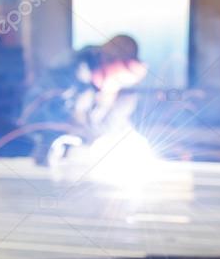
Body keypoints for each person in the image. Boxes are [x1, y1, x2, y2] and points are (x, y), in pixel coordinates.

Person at [22, 35, 148, 163]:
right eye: (116, 79)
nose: (115, 85)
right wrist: (82, 133)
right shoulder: (69, 71)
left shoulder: (122, 91)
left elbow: (116, 123)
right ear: (104, 61)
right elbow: (46, 115)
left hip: (87, 149)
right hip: (53, 142)